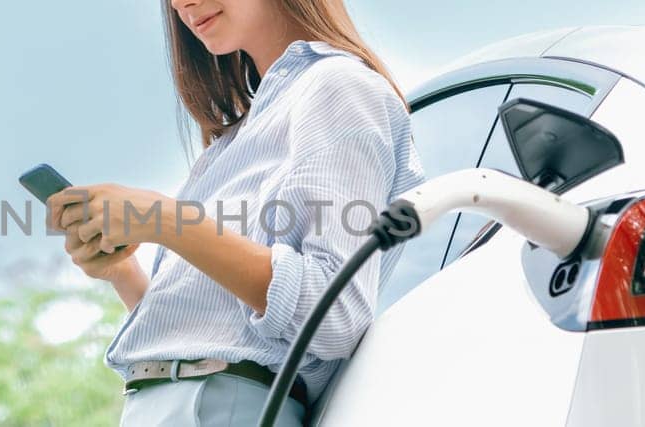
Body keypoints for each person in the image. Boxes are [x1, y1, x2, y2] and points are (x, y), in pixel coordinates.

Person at [47, 0, 422, 424]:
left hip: (224, 405)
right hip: (162, 403)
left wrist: (166, 221)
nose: (179, 3)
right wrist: (122, 273)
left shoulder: (338, 86)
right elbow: (206, 336)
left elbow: (333, 314)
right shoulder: (233, 140)